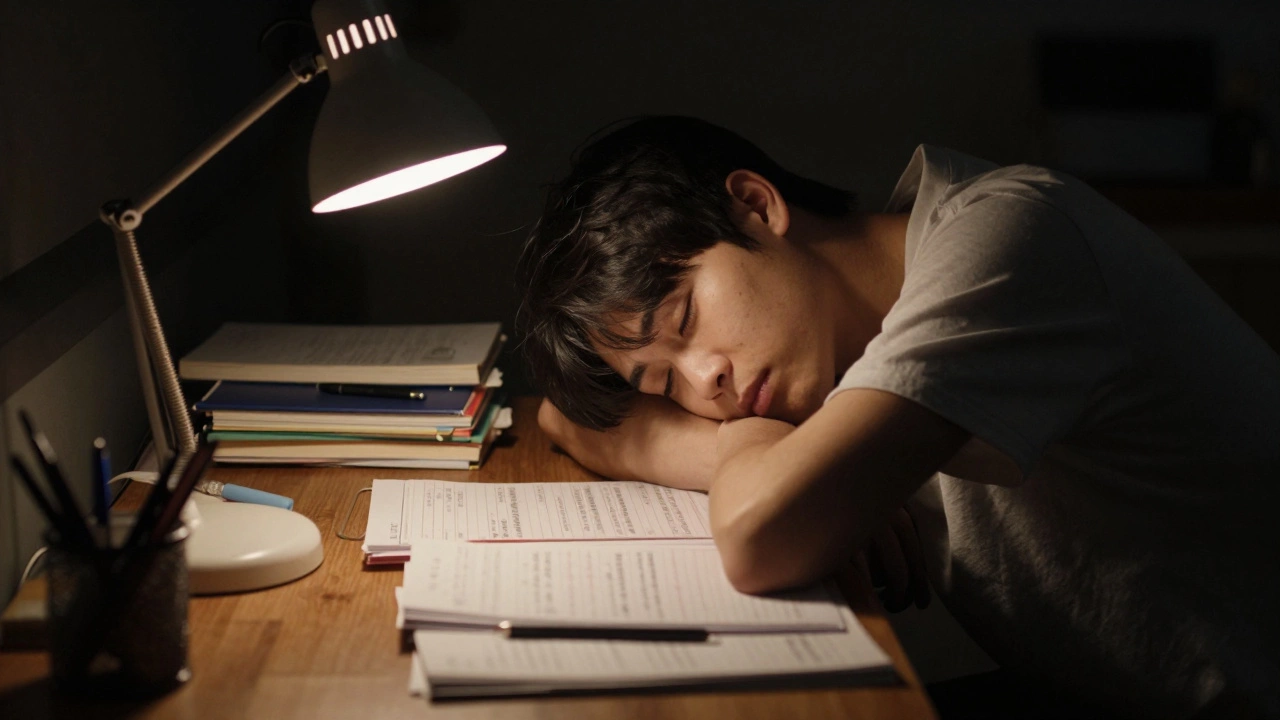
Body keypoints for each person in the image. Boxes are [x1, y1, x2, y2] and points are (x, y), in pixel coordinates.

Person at [515, 116, 1280, 718]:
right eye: (662, 383)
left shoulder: (1008, 243)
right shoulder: (824, 348)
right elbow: (565, 419)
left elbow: (757, 537)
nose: (703, 380)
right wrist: (778, 460)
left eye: (685, 318)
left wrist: (774, 471)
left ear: (755, 206)